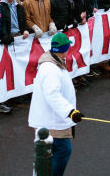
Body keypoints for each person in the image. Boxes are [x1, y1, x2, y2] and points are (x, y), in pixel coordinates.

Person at [28, 32, 84, 176]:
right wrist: (70, 111)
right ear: (65, 48)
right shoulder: (51, 68)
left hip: (54, 120)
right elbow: (52, 94)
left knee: (49, 156)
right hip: (51, 122)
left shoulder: (55, 62)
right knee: (62, 151)